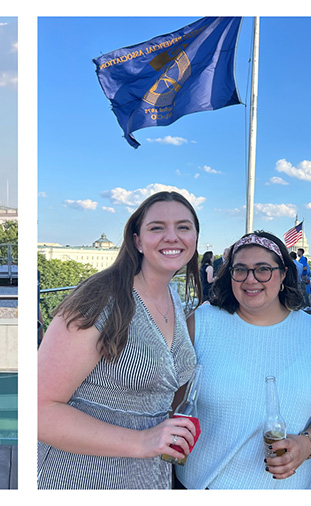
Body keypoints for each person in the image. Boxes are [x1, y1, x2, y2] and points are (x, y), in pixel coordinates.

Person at [37, 191, 201, 489]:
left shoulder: (174, 297)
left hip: (146, 478)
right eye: (157, 227)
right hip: (81, 478)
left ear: (195, 238)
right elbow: (39, 411)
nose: (172, 237)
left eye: (183, 227)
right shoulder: (99, 299)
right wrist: (142, 441)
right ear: (137, 240)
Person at [174, 231, 311, 489]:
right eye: (240, 270)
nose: (250, 279)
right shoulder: (201, 323)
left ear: (284, 273)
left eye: (263, 269)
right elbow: (171, 405)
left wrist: (305, 445)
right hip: (206, 486)